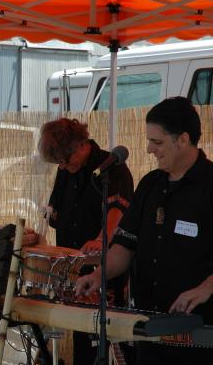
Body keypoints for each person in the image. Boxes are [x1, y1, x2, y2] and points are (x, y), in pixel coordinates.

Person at [75, 97, 213, 365]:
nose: (149, 149)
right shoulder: (150, 185)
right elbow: (125, 246)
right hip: (149, 330)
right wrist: (98, 275)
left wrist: (205, 288)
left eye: (157, 142)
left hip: (199, 333)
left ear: (183, 139)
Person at [38, 117, 134, 365]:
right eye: (58, 162)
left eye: (65, 159)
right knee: (81, 338)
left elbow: (118, 212)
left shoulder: (111, 168)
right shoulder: (65, 170)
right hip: (74, 268)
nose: (62, 166)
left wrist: (101, 239)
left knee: (110, 338)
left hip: (106, 268)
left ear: (81, 145)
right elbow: (56, 212)